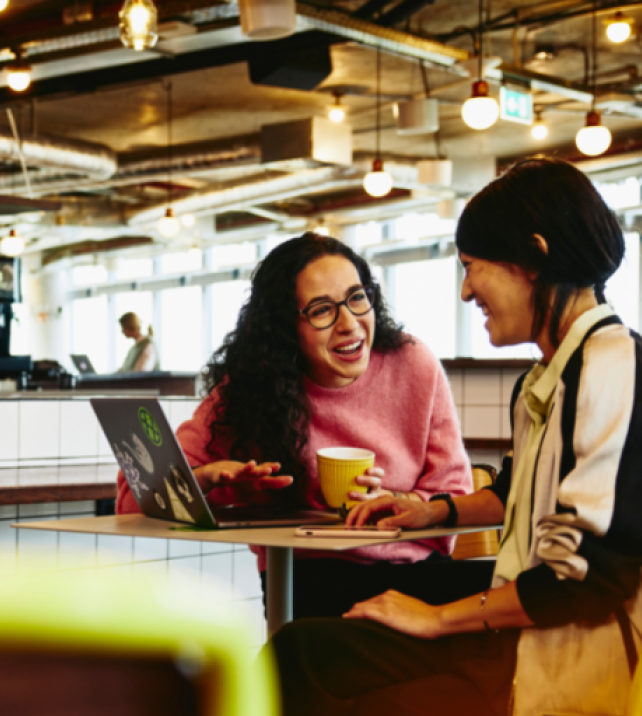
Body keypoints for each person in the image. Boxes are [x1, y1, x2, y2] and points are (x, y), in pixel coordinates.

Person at [273, 157, 642, 716]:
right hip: (548, 657)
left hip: (577, 708)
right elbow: (520, 490)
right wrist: (432, 511)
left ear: (530, 258)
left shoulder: (610, 369)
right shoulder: (567, 368)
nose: (467, 291)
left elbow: (580, 574)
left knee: (298, 695)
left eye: (472, 266)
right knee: (304, 654)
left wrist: (437, 620)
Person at [116, 233, 485, 619]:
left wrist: (400, 503)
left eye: (357, 298)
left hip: (417, 575)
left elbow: (454, 493)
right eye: (322, 310)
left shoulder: (413, 364)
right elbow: (131, 500)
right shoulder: (251, 388)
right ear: (284, 327)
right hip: (308, 582)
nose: (349, 323)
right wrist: (206, 478)